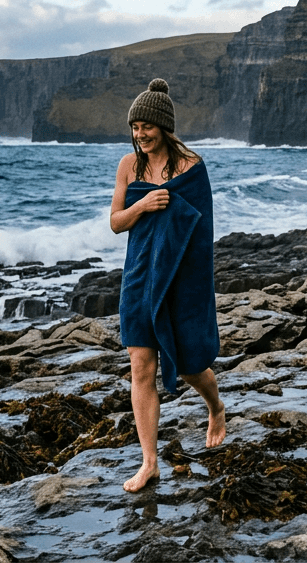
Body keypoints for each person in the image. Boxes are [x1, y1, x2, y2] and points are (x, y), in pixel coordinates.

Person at [109, 79, 226, 493]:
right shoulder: (129, 165)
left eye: (147, 126)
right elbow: (116, 222)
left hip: (181, 275)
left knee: (193, 364)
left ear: (165, 127)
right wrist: (143, 205)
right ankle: (149, 462)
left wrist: (196, 287)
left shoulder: (192, 167)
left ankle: (215, 407)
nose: (140, 134)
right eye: (135, 127)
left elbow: (202, 230)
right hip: (139, 274)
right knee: (141, 365)